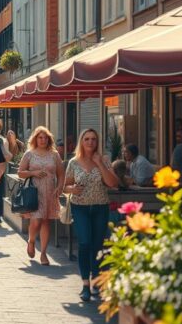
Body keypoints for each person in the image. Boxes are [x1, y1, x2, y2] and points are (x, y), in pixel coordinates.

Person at [64, 128, 119, 302]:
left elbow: (112, 183)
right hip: (80, 207)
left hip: (100, 207)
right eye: (87, 139)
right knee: (85, 243)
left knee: (97, 245)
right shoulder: (74, 162)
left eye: (93, 139)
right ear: (82, 141)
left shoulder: (104, 160)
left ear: (97, 142)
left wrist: (100, 164)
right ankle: (85, 284)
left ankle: (96, 281)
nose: (90, 142)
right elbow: (64, 186)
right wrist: (71, 189)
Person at [17, 126, 64, 265]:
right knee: (36, 220)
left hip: (50, 192)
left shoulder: (54, 154)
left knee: (45, 221)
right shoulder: (29, 154)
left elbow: (61, 174)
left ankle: (43, 253)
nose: (43, 140)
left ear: (49, 139)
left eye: (45, 138)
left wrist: (60, 187)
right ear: (35, 139)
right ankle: (31, 240)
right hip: (34, 192)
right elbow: (20, 172)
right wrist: (33, 173)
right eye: (40, 137)